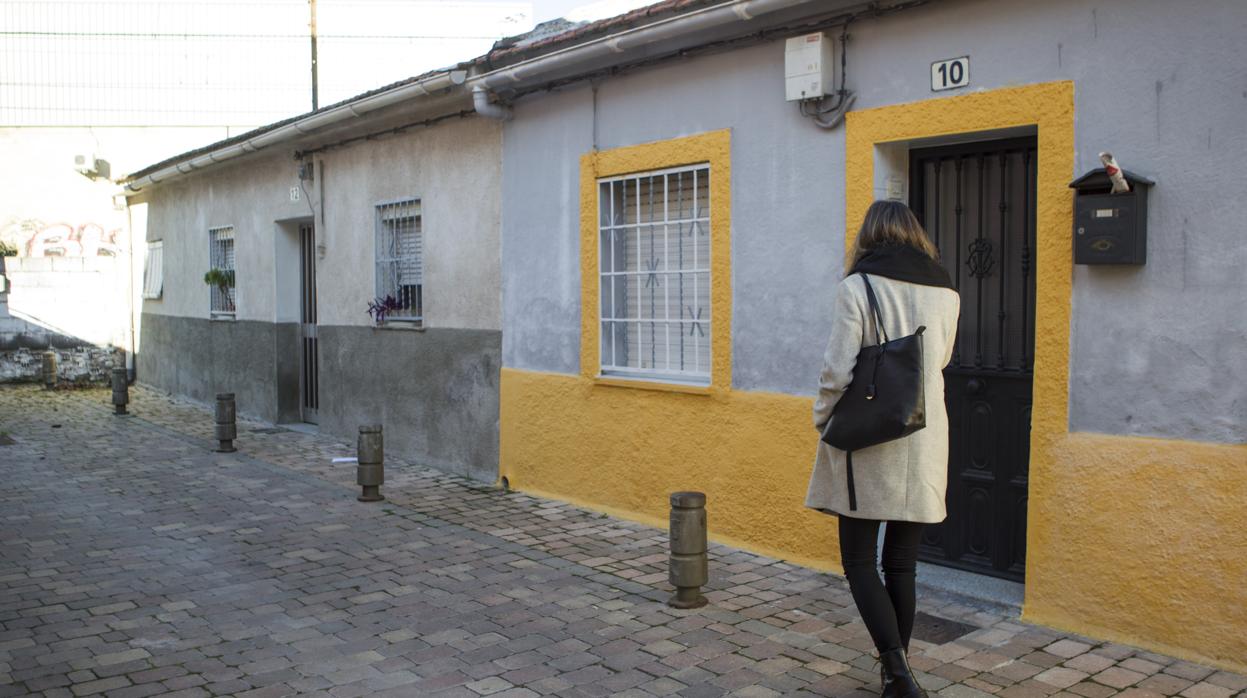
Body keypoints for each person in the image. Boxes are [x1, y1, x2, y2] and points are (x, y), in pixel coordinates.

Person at [805, 200, 960, 698]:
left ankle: (898, 674)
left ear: (869, 236)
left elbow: (837, 369)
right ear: (916, 235)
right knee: (901, 562)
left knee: (857, 560)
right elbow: (942, 359)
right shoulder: (946, 290)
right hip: (926, 431)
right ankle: (899, 676)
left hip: (869, 434)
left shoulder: (858, 287)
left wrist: (823, 417)